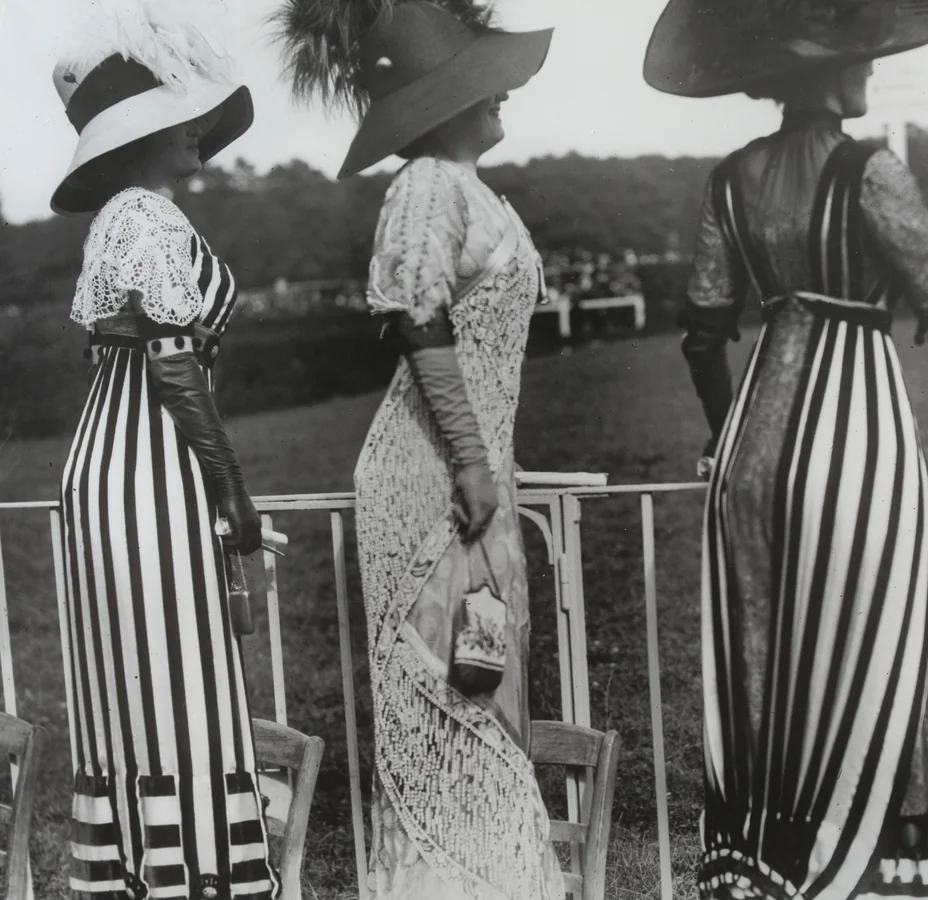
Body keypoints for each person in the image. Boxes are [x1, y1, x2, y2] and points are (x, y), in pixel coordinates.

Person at [644, 2, 928, 898]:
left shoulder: (729, 179)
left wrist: (723, 433)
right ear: (822, 71)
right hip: (857, 437)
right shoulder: (869, 168)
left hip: (747, 456)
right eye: (859, 56)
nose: (871, 70)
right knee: (872, 646)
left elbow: (702, 334)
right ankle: (869, 870)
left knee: (760, 660)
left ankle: (759, 865)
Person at [275, 2, 564, 898]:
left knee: (482, 679)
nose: (502, 91)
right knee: (453, 690)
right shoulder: (428, 187)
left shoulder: (472, 190)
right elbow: (417, 318)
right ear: (442, 103)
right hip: (434, 476)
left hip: (474, 475)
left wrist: (487, 469)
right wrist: (474, 463)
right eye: (481, 81)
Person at [52, 3, 278, 898]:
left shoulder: (118, 219)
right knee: (177, 681)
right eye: (177, 115)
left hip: (110, 465)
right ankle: (195, 877)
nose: (196, 128)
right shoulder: (145, 217)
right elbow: (177, 368)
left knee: (132, 687)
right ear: (136, 134)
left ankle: (144, 871)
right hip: (152, 467)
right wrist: (233, 496)